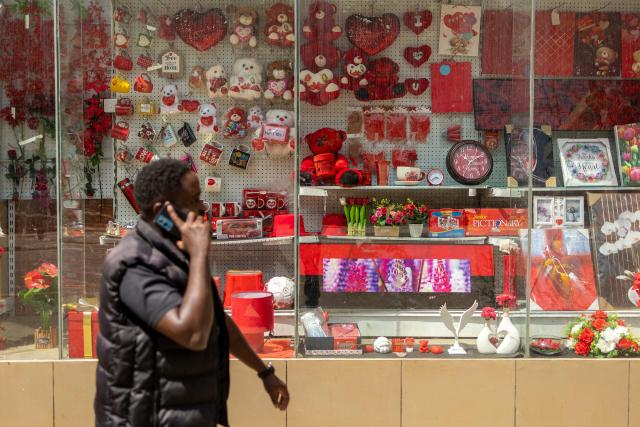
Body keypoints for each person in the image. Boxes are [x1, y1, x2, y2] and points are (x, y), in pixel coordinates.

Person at [95, 159, 289, 427]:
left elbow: (216, 322)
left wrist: (264, 372)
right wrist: (199, 255)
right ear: (162, 211)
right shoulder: (133, 263)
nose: (202, 207)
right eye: (194, 200)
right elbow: (193, 334)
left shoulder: (172, 253)